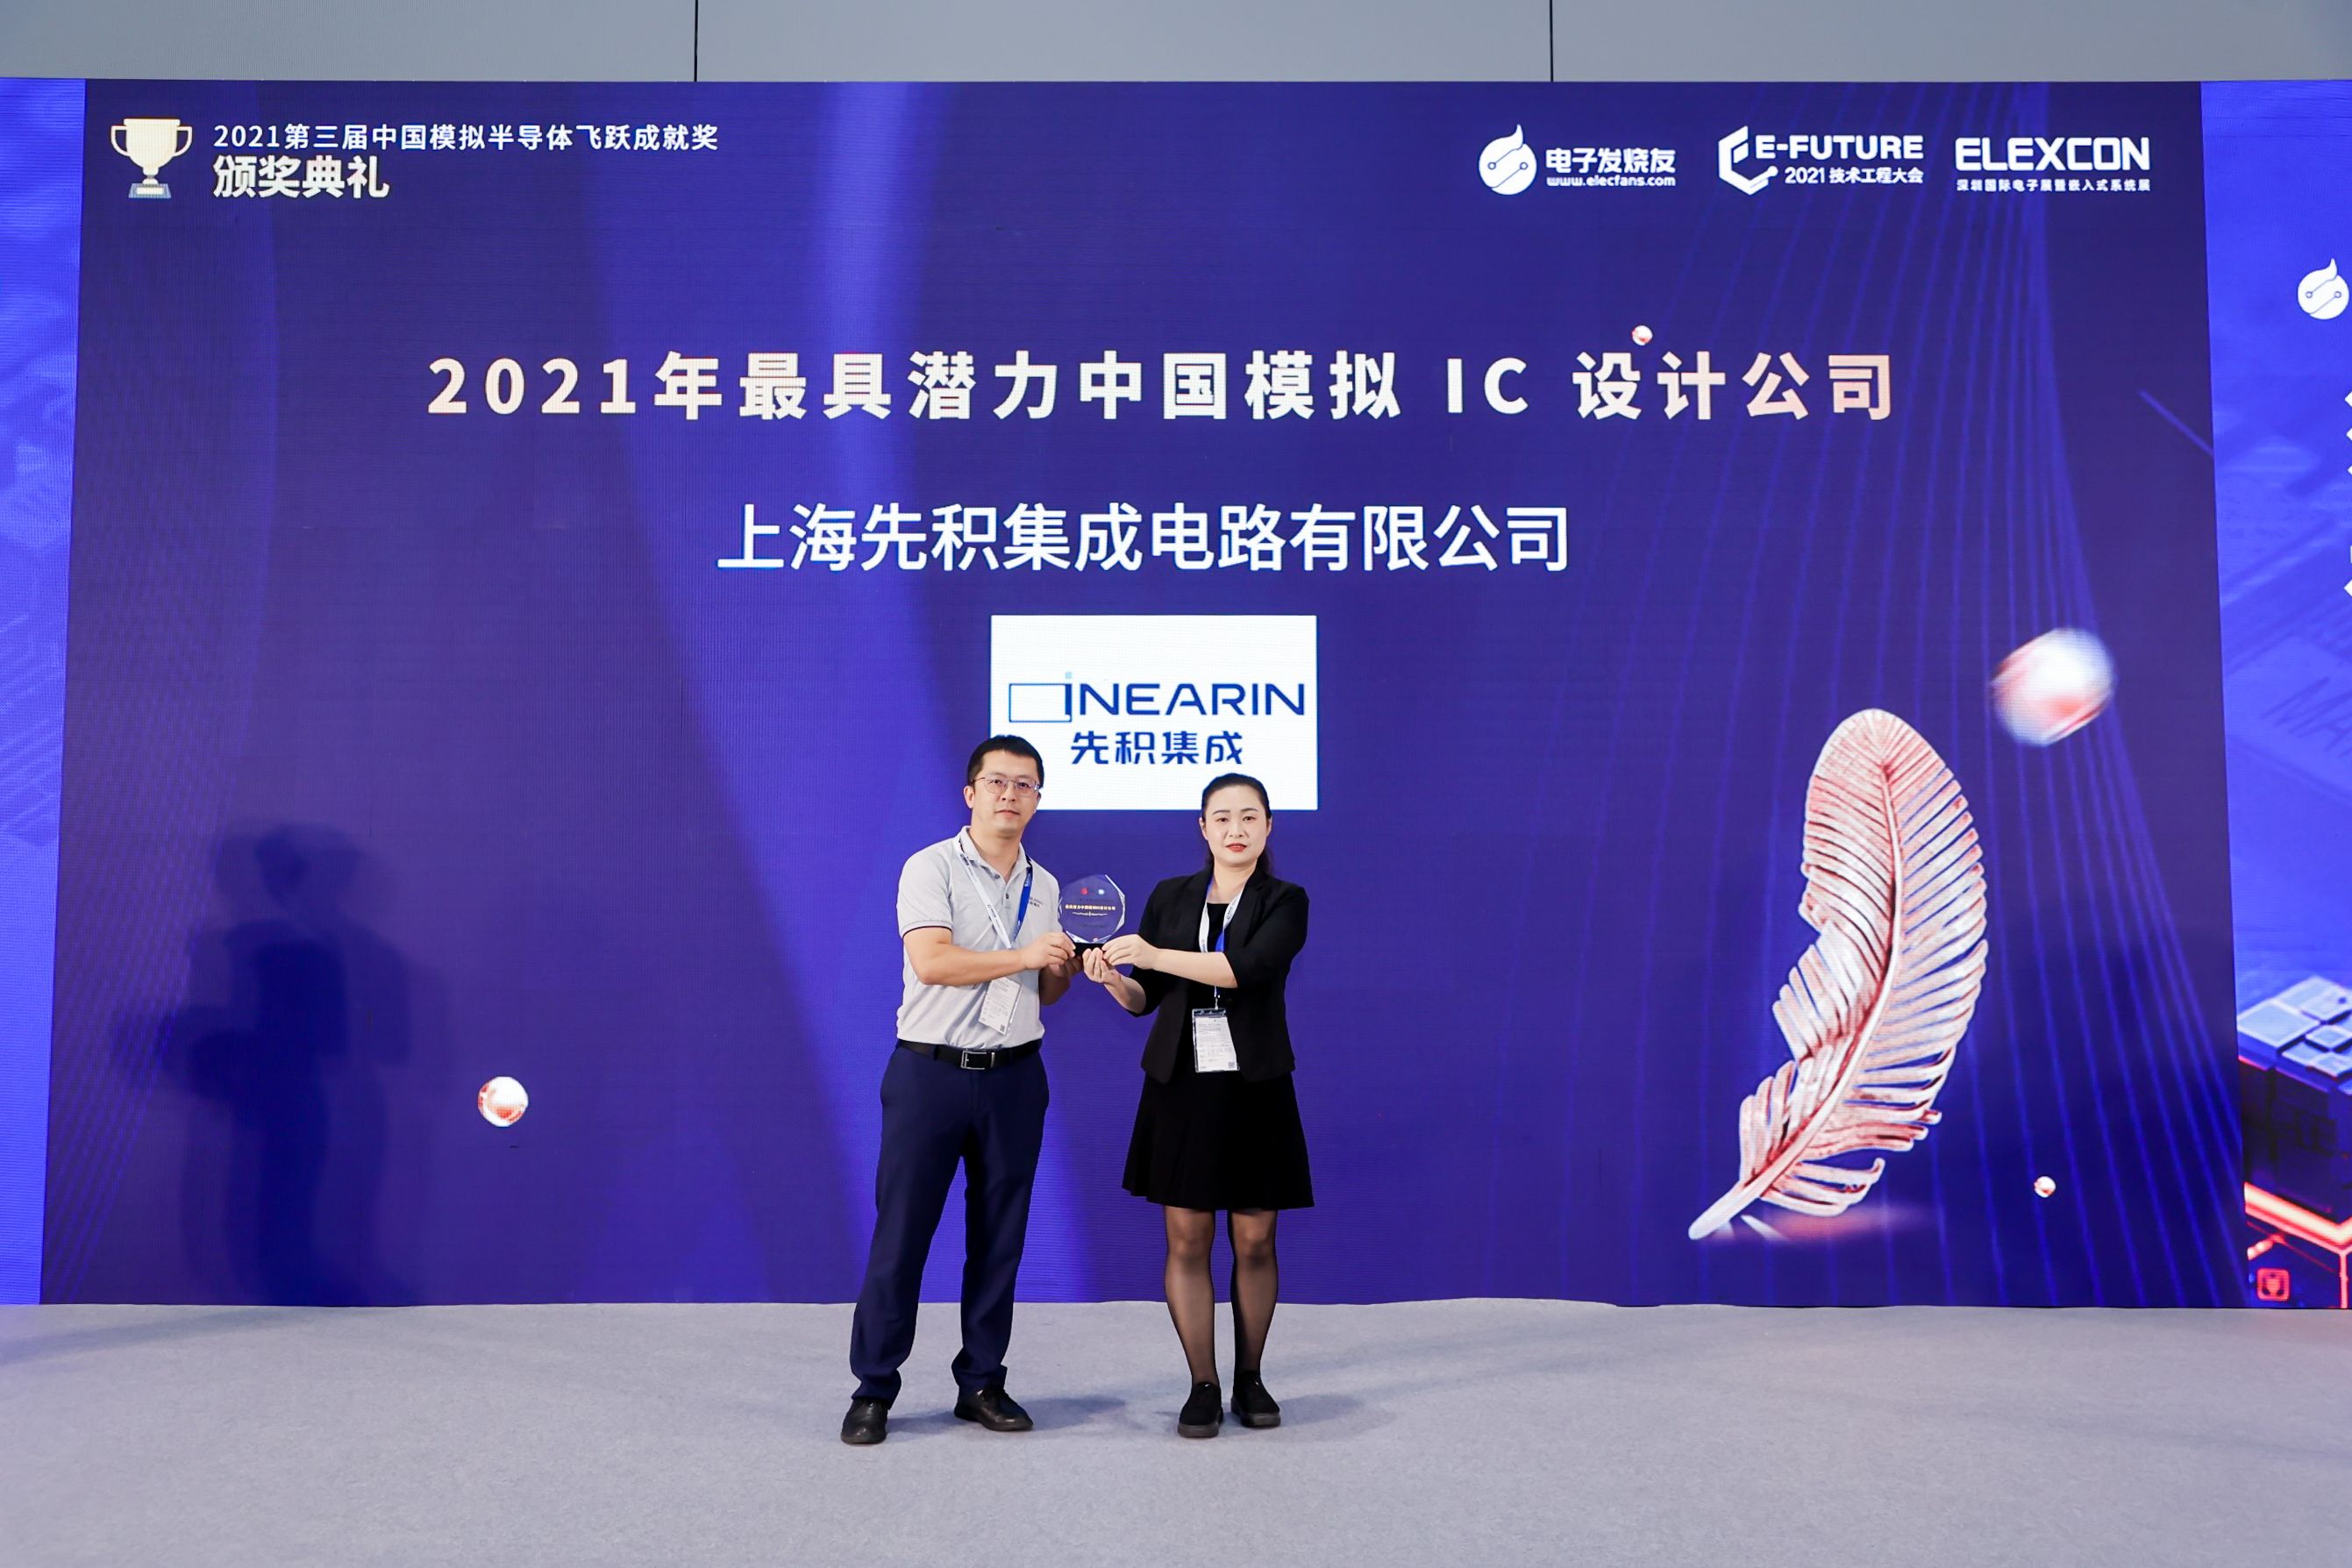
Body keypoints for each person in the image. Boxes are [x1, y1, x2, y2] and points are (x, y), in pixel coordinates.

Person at [842, 736, 1076, 1446]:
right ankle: (874, 1388)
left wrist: (1064, 968)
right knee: (902, 1236)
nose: (1011, 795)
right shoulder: (931, 866)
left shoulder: (1046, 885)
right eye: (998, 781)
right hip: (931, 1074)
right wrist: (1025, 953)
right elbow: (933, 961)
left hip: (1016, 1078)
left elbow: (1045, 991)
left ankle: (981, 1382)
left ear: (1038, 800)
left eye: (1025, 785)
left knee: (1001, 1240)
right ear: (970, 792)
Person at [1083, 772, 1312, 1438]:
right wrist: (1114, 980)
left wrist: (1155, 953)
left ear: (1268, 828)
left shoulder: (1285, 900)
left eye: (1249, 817)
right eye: (1222, 817)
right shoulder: (1170, 896)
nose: (1236, 829)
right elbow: (1146, 998)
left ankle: (1251, 1378)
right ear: (1203, 828)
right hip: (1181, 1084)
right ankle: (1203, 1384)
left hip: (1255, 1084)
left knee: (1255, 1239)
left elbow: (1245, 969)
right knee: (1187, 1239)